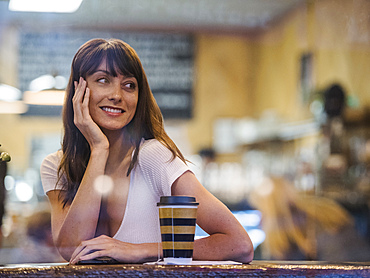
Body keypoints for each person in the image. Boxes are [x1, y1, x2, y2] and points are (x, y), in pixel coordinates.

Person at [40, 38, 254, 264]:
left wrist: (141, 250)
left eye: (129, 85)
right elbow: (72, 248)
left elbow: (238, 245)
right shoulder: (56, 165)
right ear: (78, 90)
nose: (117, 95)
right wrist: (99, 149)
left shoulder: (153, 156)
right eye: (103, 80)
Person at [249, 176, 370, 261]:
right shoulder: (325, 213)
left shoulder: (309, 235)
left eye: (261, 211)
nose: (260, 219)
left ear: (272, 213)